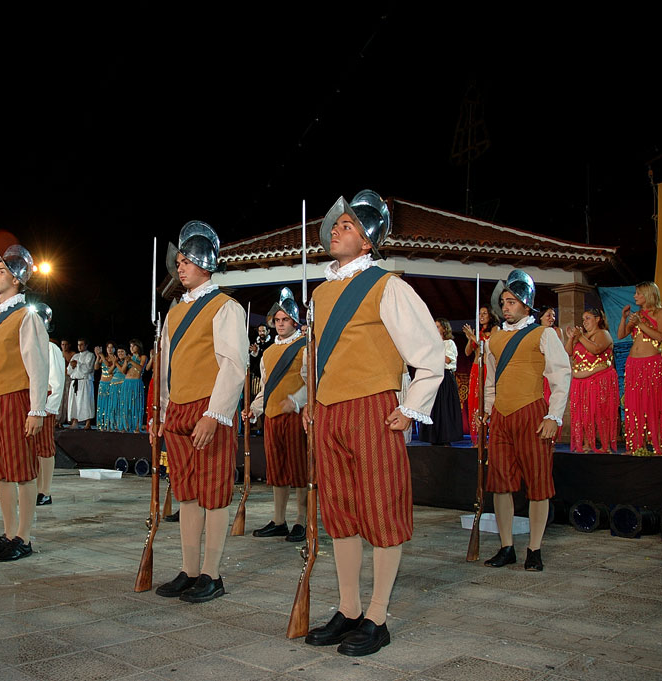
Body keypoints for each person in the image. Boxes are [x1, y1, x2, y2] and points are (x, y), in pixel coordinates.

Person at [302, 191, 443, 657]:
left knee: (382, 510)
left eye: (347, 225)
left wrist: (411, 407)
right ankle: (347, 608)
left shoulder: (388, 286)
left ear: (368, 242)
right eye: (336, 224)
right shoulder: (321, 293)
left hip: (372, 409)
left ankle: (377, 617)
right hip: (329, 412)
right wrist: (312, 400)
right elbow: (318, 355)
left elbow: (430, 355)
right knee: (339, 514)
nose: (336, 229)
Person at [150, 220, 248, 603]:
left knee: (214, 494)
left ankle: (212, 573)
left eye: (188, 261)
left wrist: (215, 413)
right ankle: (189, 570)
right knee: (187, 494)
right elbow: (167, 369)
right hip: (177, 410)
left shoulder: (225, 307)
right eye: (179, 261)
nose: (181, 267)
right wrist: (160, 412)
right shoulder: (173, 313)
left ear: (206, 263)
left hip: (212, 410)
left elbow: (234, 365)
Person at [479, 270, 571, 572]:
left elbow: (561, 376)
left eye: (513, 301)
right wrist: (488, 410)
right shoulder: (492, 339)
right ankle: (507, 546)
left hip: (532, 414)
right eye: (504, 301)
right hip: (502, 419)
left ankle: (534, 548)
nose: (506, 307)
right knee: (501, 485)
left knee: (538, 484)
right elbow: (491, 382)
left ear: (527, 305)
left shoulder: (543, 334)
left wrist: (553, 416)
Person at [0, 245, 50, 562]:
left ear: (17, 280)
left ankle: (24, 537)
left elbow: (38, 366)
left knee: (21, 472)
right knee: (1, 473)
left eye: (2, 271)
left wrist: (36, 410)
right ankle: (7, 533)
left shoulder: (25, 317)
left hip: (15, 399)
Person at [242, 287, 307, 542]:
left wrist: (295, 401)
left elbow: (309, 382)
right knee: (277, 470)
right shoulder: (267, 353)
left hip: (295, 416)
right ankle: (279, 520)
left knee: (299, 469)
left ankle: (302, 520)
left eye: (285, 320)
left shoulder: (303, 347)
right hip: (272, 416)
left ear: (294, 321)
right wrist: (254, 409)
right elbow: (266, 388)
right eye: (277, 320)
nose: (280, 324)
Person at [617, 281, 662, 456]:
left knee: (653, 404)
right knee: (633, 405)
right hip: (633, 364)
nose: (635, 297)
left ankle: (657, 446)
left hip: (652, 364)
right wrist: (625, 318)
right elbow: (621, 335)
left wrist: (640, 323)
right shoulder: (637, 314)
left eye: (638, 293)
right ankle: (635, 446)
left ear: (648, 294)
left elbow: (659, 336)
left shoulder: (661, 313)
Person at [564, 308, 619, 453]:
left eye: (588, 318)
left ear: (597, 319)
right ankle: (587, 444)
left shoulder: (603, 334)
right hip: (580, 383)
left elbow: (596, 349)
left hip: (598, 380)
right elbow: (569, 352)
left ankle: (605, 446)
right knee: (584, 414)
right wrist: (571, 338)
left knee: (600, 413)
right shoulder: (582, 336)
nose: (584, 322)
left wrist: (581, 336)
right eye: (583, 319)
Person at [31, 304, 64, 506]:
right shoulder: (30, 346)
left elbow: (57, 382)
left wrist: (48, 408)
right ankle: (35, 487)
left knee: (44, 448)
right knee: (32, 450)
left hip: (44, 406)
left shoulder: (50, 348)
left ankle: (45, 491)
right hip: (31, 405)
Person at [419, 318, 465, 446]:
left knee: (444, 408)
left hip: (444, 377)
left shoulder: (449, 343)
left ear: (444, 329)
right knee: (433, 408)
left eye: (438, 326)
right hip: (433, 376)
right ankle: (433, 437)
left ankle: (446, 437)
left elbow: (448, 360)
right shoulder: (432, 344)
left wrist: (435, 349)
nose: (435, 329)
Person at [462, 307, 499, 437]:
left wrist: (473, 337)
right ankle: (477, 438)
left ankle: (488, 436)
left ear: (491, 315)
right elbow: (467, 352)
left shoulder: (495, 330)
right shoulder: (478, 332)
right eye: (479, 314)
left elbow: (488, 347)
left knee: (485, 400)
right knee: (474, 401)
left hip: (487, 368)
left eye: (484, 313)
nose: (481, 316)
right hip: (475, 368)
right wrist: (469, 338)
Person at [67, 339, 95, 429]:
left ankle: (88, 423)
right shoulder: (75, 355)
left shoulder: (90, 355)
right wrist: (72, 366)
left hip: (84, 382)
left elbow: (88, 369)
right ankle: (75, 421)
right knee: (74, 402)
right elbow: (68, 371)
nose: (79, 346)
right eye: (78, 344)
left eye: (82, 345)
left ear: (86, 345)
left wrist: (78, 364)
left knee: (86, 402)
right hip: (75, 381)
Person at [94, 343, 116, 431]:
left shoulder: (115, 358)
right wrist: (98, 357)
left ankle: (111, 424)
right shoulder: (104, 358)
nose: (110, 349)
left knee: (110, 405)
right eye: (108, 347)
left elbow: (108, 365)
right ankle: (102, 424)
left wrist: (101, 355)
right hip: (102, 383)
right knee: (102, 404)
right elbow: (96, 367)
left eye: (111, 347)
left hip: (111, 384)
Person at [57, 339, 74, 427]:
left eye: (66, 344)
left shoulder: (73, 354)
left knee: (67, 398)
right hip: (59, 378)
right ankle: (58, 419)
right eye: (63, 344)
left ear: (69, 345)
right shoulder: (58, 353)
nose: (64, 346)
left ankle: (66, 419)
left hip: (68, 378)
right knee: (59, 399)